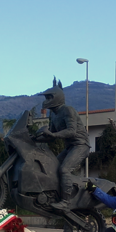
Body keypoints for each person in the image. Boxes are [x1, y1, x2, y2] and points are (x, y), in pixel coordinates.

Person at [32, 77, 90, 210]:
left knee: (64, 169)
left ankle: (66, 201)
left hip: (80, 145)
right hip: (70, 147)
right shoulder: (53, 115)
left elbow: (71, 131)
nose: (46, 100)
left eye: (49, 97)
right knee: (51, 168)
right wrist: (33, 139)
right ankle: (55, 195)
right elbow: (51, 136)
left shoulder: (68, 110)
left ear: (56, 97)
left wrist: (53, 135)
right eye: (46, 98)